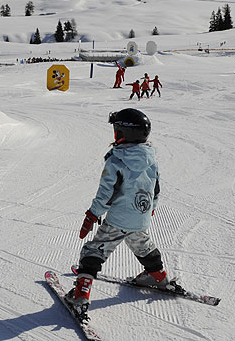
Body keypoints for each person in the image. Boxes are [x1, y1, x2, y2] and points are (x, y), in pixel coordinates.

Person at [65, 108, 170, 318]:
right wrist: (151, 208)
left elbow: (106, 194)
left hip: (119, 218)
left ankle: (80, 294)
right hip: (141, 214)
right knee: (142, 245)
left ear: (122, 133)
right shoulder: (151, 158)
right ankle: (158, 276)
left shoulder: (116, 160)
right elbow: (155, 188)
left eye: (116, 130)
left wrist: (92, 215)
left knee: (93, 251)